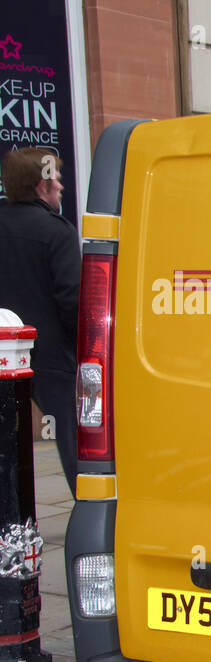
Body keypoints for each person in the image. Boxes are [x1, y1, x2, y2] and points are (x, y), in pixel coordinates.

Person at [0, 147, 80, 493]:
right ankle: (92, 509)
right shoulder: (56, 232)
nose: (61, 186)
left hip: (5, 353)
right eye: (56, 179)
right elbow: (73, 300)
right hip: (49, 355)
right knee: (73, 438)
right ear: (39, 185)